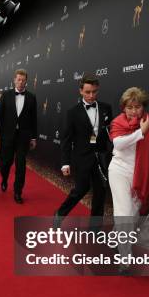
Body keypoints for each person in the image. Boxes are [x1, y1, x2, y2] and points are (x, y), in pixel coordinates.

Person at [55, 75, 112, 220]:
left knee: (100, 192)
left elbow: (110, 133)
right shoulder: (72, 112)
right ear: (80, 91)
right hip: (82, 157)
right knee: (80, 190)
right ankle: (60, 214)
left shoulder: (106, 108)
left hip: (100, 157)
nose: (91, 95)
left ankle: (95, 230)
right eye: (87, 92)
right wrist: (65, 162)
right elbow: (66, 139)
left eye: (94, 91)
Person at [109, 87, 149, 215]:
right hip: (119, 171)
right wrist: (141, 132)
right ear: (124, 108)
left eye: (137, 107)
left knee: (132, 215)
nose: (133, 111)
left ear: (143, 107)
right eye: (129, 107)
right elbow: (118, 144)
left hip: (141, 175)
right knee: (124, 213)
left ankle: (121, 235)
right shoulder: (118, 123)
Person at [0, 69, 38, 204]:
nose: (21, 82)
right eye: (18, 80)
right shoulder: (6, 95)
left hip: (23, 138)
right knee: (5, 163)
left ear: (26, 81)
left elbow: (34, 119)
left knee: (21, 165)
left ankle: (17, 192)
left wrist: (33, 137)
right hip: (7, 136)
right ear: (14, 80)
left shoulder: (32, 97)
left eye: (23, 80)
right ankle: (4, 178)